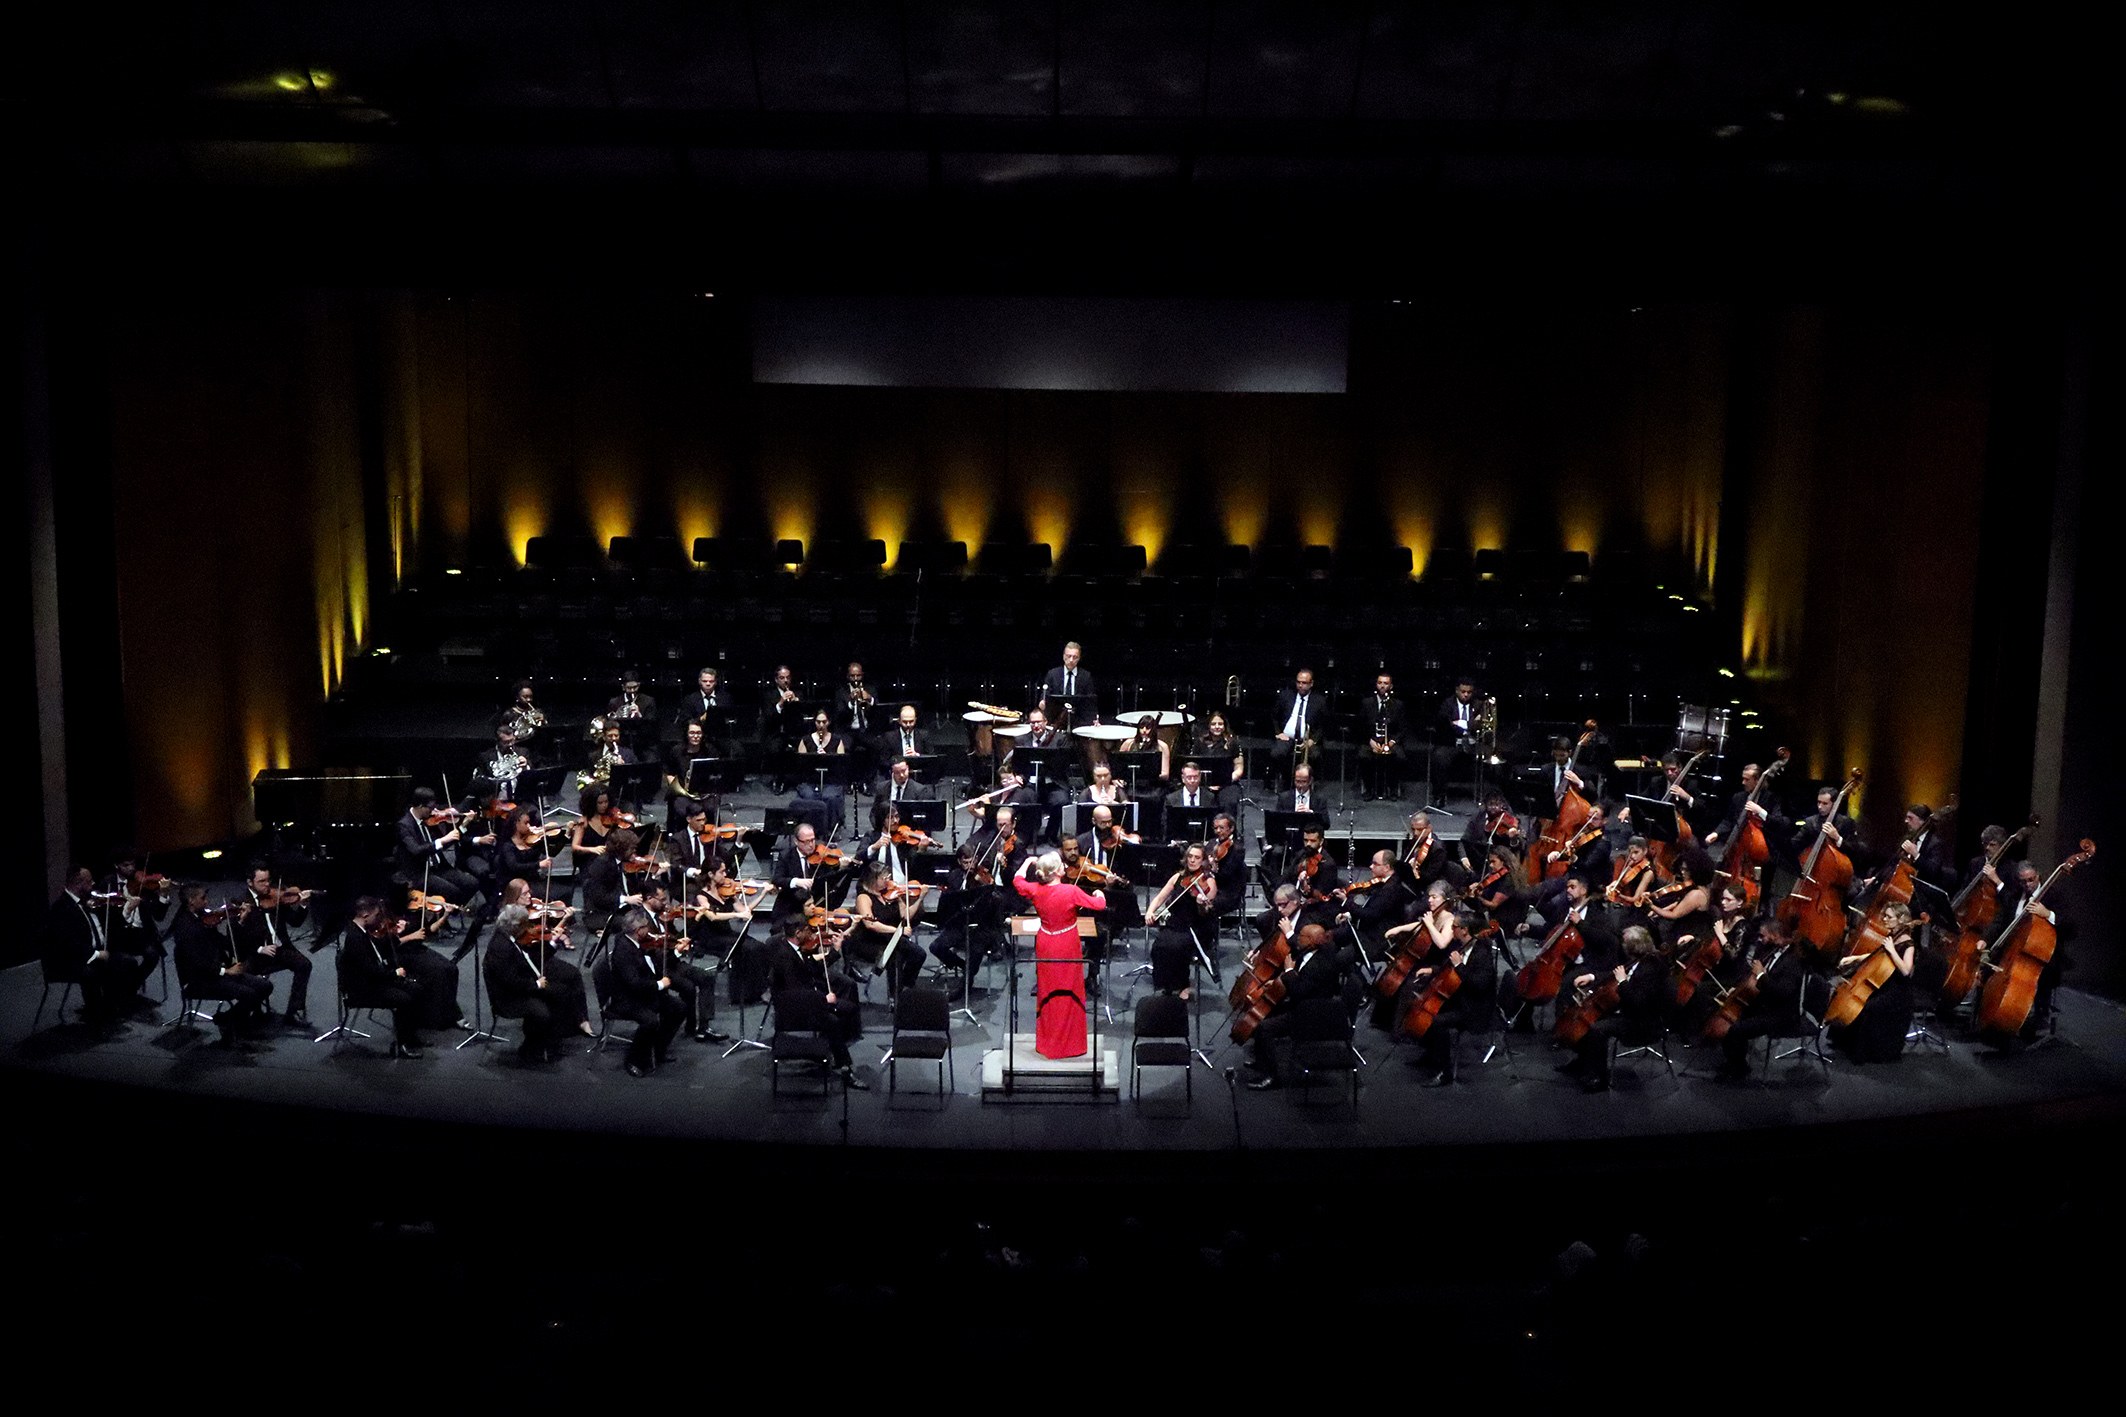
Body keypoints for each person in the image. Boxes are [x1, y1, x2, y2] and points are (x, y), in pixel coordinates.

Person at [1014, 852, 1108, 1059]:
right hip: (1066, 942)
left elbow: (1017, 880)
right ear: (1057, 871)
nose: (1065, 866)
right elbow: (1099, 905)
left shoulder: (1035, 889)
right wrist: (1099, 894)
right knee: (1069, 988)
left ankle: (1048, 1043)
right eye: (1061, 865)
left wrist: (1028, 861)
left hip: (1046, 942)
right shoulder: (1070, 891)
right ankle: (1070, 1045)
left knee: (1047, 989)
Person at [337, 896, 457, 1056]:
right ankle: (402, 1045)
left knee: (416, 988)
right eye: (376, 915)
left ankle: (410, 1037)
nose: (379, 919)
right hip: (362, 989)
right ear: (365, 915)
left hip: (373, 980)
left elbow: (379, 948)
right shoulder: (355, 937)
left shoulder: (362, 931)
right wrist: (394, 973)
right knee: (404, 999)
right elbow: (370, 971)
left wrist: (396, 936)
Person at [1560, 925, 1668, 1093]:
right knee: (1589, 1019)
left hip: (1642, 1022)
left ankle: (1598, 1078)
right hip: (1628, 1012)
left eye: (1624, 944)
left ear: (1632, 947)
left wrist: (1622, 982)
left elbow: (1638, 1002)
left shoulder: (1652, 967)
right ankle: (1584, 1063)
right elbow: (1615, 974)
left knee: (1598, 1029)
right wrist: (1592, 977)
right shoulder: (1638, 959)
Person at [42, 866, 154, 1026]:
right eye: (89, 882)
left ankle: (117, 1001)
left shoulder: (89, 902)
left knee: (128, 962)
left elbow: (111, 925)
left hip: (96, 951)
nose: (94, 883)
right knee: (91, 972)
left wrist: (127, 910)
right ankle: (96, 1017)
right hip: (73, 959)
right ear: (78, 883)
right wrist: (96, 954)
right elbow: (68, 943)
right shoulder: (62, 908)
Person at [484, 902, 593, 1064]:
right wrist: (536, 985)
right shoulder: (501, 947)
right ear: (516, 926)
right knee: (543, 1008)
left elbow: (531, 960)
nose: (528, 928)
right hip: (509, 997)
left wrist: (552, 943)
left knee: (562, 990)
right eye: (525, 924)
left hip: (521, 985)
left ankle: (551, 1038)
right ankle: (531, 1048)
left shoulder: (509, 937)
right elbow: (510, 981)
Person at [769, 917, 868, 1088]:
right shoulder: (784, 957)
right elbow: (794, 993)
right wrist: (823, 999)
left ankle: (830, 1049)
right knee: (833, 1021)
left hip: (809, 1000)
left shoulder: (797, 949)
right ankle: (845, 1068)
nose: (812, 934)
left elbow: (815, 969)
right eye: (808, 930)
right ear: (798, 933)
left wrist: (835, 950)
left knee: (849, 1009)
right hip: (794, 1010)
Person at [170, 884, 273, 1045]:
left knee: (265, 986)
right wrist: (226, 971)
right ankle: (237, 1027)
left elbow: (224, 942)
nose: (207, 902)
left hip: (215, 973)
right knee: (249, 994)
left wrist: (239, 921)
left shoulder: (203, 919)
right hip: (199, 980)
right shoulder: (184, 927)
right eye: (203, 898)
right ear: (191, 901)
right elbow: (197, 963)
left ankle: (226, 1019)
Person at [1243, 923, 1341, 1089]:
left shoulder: (1320, 965)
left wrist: (1288, 972)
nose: (1297, 938)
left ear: (1311, 941)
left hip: (1311, 1014)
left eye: (1301, 936)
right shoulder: (1309, 951)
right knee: (1263, 1014)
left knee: (1265, 1028)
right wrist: (1279, 981)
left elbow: (1298, 991)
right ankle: (1262, 1061)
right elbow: (1300, 981)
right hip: (1303, 1004)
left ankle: (1273, 1078)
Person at [1712, 917, 1807, 1080]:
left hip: (1780, 1015)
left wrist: (1761, 975)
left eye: (1763, 936)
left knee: (1736, 1029)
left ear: (1776, 936)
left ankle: (1738, 1069)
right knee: (1733, 1018)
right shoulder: (1771, 949)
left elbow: (1781, 993)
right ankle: (1735, 1061)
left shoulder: (1793, 962)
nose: (1760, 939)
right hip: (1765, 1004)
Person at [606, 905, 691, 1077]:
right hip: (627, 999)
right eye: (646, 927)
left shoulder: (638, 943)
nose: (650, 931)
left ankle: (658, 1049)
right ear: (638, 931)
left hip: (645, 992)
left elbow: (654, 965)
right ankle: (634, 1060)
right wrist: (660, 984)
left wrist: (675, 952)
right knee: (650, 1021)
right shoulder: (623, 952)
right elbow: (634, 983)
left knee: (679, 1008)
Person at [1829, 900, 1918, 1064]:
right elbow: (1878, 956)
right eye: (1885, 915)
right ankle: (1843, 1042)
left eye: (1889, 917)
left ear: (1900, 919)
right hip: (1884, 982)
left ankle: (1864, 1052)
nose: (1884, 919)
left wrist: (1892, 950)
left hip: (1898, 992)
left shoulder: (1908, 944)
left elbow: (1906, 970)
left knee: (1869, 1006)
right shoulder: (1892, 936)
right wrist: (1854, 958)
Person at [232, 865, 315, 1026]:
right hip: (254, 953)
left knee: (304, 965)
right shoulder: (240, 901)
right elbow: (236, 936)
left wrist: (303, 905)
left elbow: (295, 922)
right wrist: (260, 949)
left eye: (268, 880)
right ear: (250, 882)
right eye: (261, 881)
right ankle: (255, 1013)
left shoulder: (276, 898)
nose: (267, 885)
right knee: (248, 976)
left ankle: (293, 1012)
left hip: (279, 949)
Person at [1144, 843, 1218, 997]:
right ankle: (1165, 985)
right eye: (1190, 856)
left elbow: (1206, 911)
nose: (1192, 860)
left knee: (1177, 948)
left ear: (1203, 860)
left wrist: (1201, 903)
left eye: (1197, 857)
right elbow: (1160, 897)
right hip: (1175, 923)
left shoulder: (1208, 881)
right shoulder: (1178, 877)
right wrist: (1150, 911)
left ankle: (1183, 984)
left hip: (1194, 926)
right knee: (1158, 947)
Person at [849, 863, 929, 995]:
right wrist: (897, 931)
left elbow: (905, 916)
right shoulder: (863, 898)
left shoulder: (892, 893)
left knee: (919, 954)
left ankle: (906, 986)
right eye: (884, 878)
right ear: (873, 879)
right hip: (870, 941)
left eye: (888, 877)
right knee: (895, 957)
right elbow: (870, 924)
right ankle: (895, 995)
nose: (888, 881)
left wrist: (920, 898)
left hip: (890, 938)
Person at [396, 787, 482, 906]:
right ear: (420, 806)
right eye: (430, 808)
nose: (434, 811)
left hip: (439, 867)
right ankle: (450, 912)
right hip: (421, 872)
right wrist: (443, 839)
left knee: (472, 883)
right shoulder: (404, 826)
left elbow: (446, 842)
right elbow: (416, 850)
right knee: (452, 892)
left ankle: (455, 909)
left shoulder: (430, 820)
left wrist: (463, 826)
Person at [1358, 672, 1410, 801]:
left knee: (1399, 757)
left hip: (1390, 741)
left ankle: (1393, 789)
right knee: (1364, 756)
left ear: (1391, 686)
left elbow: (1403, 728)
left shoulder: (1398, 705)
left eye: (1385, 683)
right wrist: (1370, 741)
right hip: (1372, 740)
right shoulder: (1366, 703)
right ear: (1376, 685)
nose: (1382, 686)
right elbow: (1360, 727)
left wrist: (1391, 742)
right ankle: (1369, 789)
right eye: (1380, 683)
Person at [1267, 668, 1320, 792]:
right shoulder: (1286, 696)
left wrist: (1313, 740)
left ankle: (1308, 783)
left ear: (1311, 683)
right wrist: (1278, 733)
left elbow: (1323, 725)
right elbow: (1274, 716)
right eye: (1298, 682)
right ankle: (1284, 781)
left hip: (1307, 739)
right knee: (1276, 753)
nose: (1300, 685)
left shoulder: (1319, 701)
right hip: (1287, 737)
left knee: (1315, 755)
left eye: (1304, 683)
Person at [1039, 641, 1099, 722]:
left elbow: (1090, 701)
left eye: (1075, 657)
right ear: (1063, 656)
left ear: (1079, 658)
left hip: (1079, 718)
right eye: (1068, 656)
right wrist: (1042, 702)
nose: (1071, 660)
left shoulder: (1086, 676)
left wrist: (1094, 719)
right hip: (1056, 718)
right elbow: (1045, 695)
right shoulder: (1052, 674)